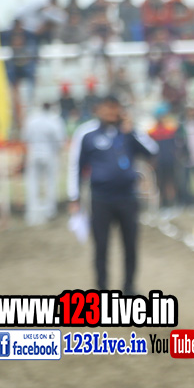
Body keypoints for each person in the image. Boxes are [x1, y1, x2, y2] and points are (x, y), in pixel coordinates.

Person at [67, 95, 157, 295]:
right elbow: (76, 166)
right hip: (101, 199)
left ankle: (129, 287)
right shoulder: (87, 133)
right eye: (107, 107)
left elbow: (152, 151)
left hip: (128, 198)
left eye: (115, 108)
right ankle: (102, 290)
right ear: (98, 109)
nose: (111, 112)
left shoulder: (128, 132)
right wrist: (74, 197)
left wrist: (133, 130)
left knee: (130, 245)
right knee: (101, 247)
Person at [21, 101, 67, 225]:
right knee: (50, 183)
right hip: (49, 154)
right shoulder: (55, 120)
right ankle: (49, 211)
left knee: (33, 183)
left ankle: (33, 211)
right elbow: (60, 140)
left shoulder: (32, 119)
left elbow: (25, 137)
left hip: (34, 153)